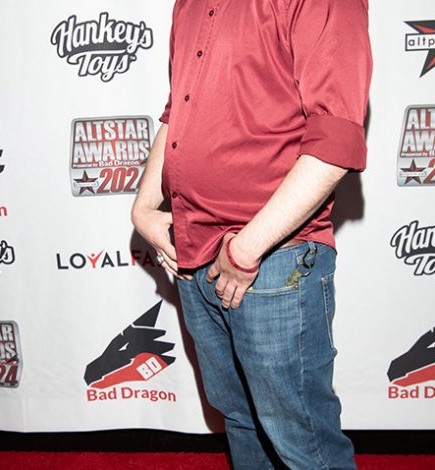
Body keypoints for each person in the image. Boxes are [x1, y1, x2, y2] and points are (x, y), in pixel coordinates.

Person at [132, 0, 372, 468]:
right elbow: (177, 111)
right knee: (240, 419)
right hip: (193, 250)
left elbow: (335, 139)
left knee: (302, 438)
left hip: (272, 260)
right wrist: (143, 207)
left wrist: (247, 248)